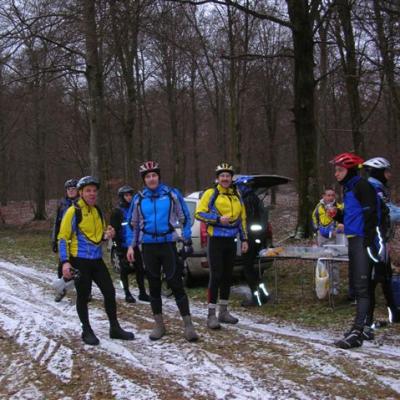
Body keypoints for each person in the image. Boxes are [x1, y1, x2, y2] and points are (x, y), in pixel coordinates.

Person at [126, 161, 198, 342]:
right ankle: (159, 325)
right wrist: (131, 246)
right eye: (148, 176)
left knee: (176, 283)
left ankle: (188, 325)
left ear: (158, 177)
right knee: (154, 286)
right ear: (144, 180)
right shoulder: (139, 198)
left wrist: (186, 238)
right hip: (148, 246)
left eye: (154, 175)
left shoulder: (171, 194)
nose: (151, 179)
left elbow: (184, 217)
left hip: (168, 244)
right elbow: (133, 224)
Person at [58, 176, 134, 346]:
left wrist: (108, 235)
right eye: (88, 191)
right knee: (83, 296)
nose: (92, 194)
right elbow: (63, 238)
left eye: (94, 191)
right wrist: (65, 262)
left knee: (110, 292)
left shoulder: (97, 211)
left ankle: (115, 328)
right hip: (79, 260)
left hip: (96, 260)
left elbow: (98, 237)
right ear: (81, 193)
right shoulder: (73, 211)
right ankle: (86, 330)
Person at [330, 152, 379, 349]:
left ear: (349, 170)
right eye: (336, 170)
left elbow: (371, 215)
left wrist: (368, 241)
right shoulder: (349, 189)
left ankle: (358, 332)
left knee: (362, 288)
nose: (336, 174)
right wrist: (337, 215)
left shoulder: (362, 186)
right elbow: (352, 217)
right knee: (358, 288)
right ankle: (360, 328)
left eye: (339, 170)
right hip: (353, 239)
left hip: (362, 241)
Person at [195, 163, 248, 329]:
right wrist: (217, 219)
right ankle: (211, 315)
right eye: (222, 176)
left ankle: (223, 312)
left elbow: (242, 218)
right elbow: (199, 213)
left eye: (228, 176)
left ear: (231, 178)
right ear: (217, 178)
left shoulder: (236, 195)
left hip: (231, 241)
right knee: (216, 276)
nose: (225, 178)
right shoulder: (211, 193)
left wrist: (244, 239)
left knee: (227, 276)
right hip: (216, 240)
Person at [363, 157, 400, 335]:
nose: (389, 175)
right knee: (372, 281)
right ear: (378, 172)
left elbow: (390, 209)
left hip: (382, 240)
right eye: (386, 171)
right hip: (374, 241)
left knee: (386, 278)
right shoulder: (373, 189)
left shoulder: (379, 188)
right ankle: (367, 321)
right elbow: (387, 213)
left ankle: (394, 314)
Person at [110, 185, 150, 303]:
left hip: (134, 245)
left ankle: (142, 293)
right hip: (122, 246)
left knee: (140, 269)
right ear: (121, 197)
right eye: (126, 195)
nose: (129, 197)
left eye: (130, 195)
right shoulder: (117, 212)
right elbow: (113, 233)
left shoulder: (135, 209)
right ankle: (126, 293)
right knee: (124, 271)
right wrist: (117, 249)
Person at [234, 176, 269, 307]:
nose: (237, 190)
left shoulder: (247, 200)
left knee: (248, 269)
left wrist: (244, 238)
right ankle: (263, 295)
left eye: (238, 187)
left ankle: (256, 299)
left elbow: (245, 221)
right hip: (257, 238)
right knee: (253, 269)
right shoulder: (255, 198)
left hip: (249, 239)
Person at [311, 188, 345, 296]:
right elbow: (314, 219)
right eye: (328, 195)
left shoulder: (339, 207)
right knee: (322, 261)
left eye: (332, 195)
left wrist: (338, 229)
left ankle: (335, 287)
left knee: (333, 262)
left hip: (334, 237)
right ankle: (322, 286)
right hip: (321, 236)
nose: (330, 197)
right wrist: (317, 230)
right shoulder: (319, 206)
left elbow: (343, 220)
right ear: (323, 196)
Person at [51, 178, 79, 302]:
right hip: (64, 241)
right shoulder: (62, 204)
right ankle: (61, 290)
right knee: (62, 268)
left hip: (77, 242)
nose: (71, 191)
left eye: (73, 189)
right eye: (69, 189)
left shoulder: (81, 203)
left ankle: (85, 292)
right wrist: (54, 240)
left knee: (81, 269)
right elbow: (56, 224)